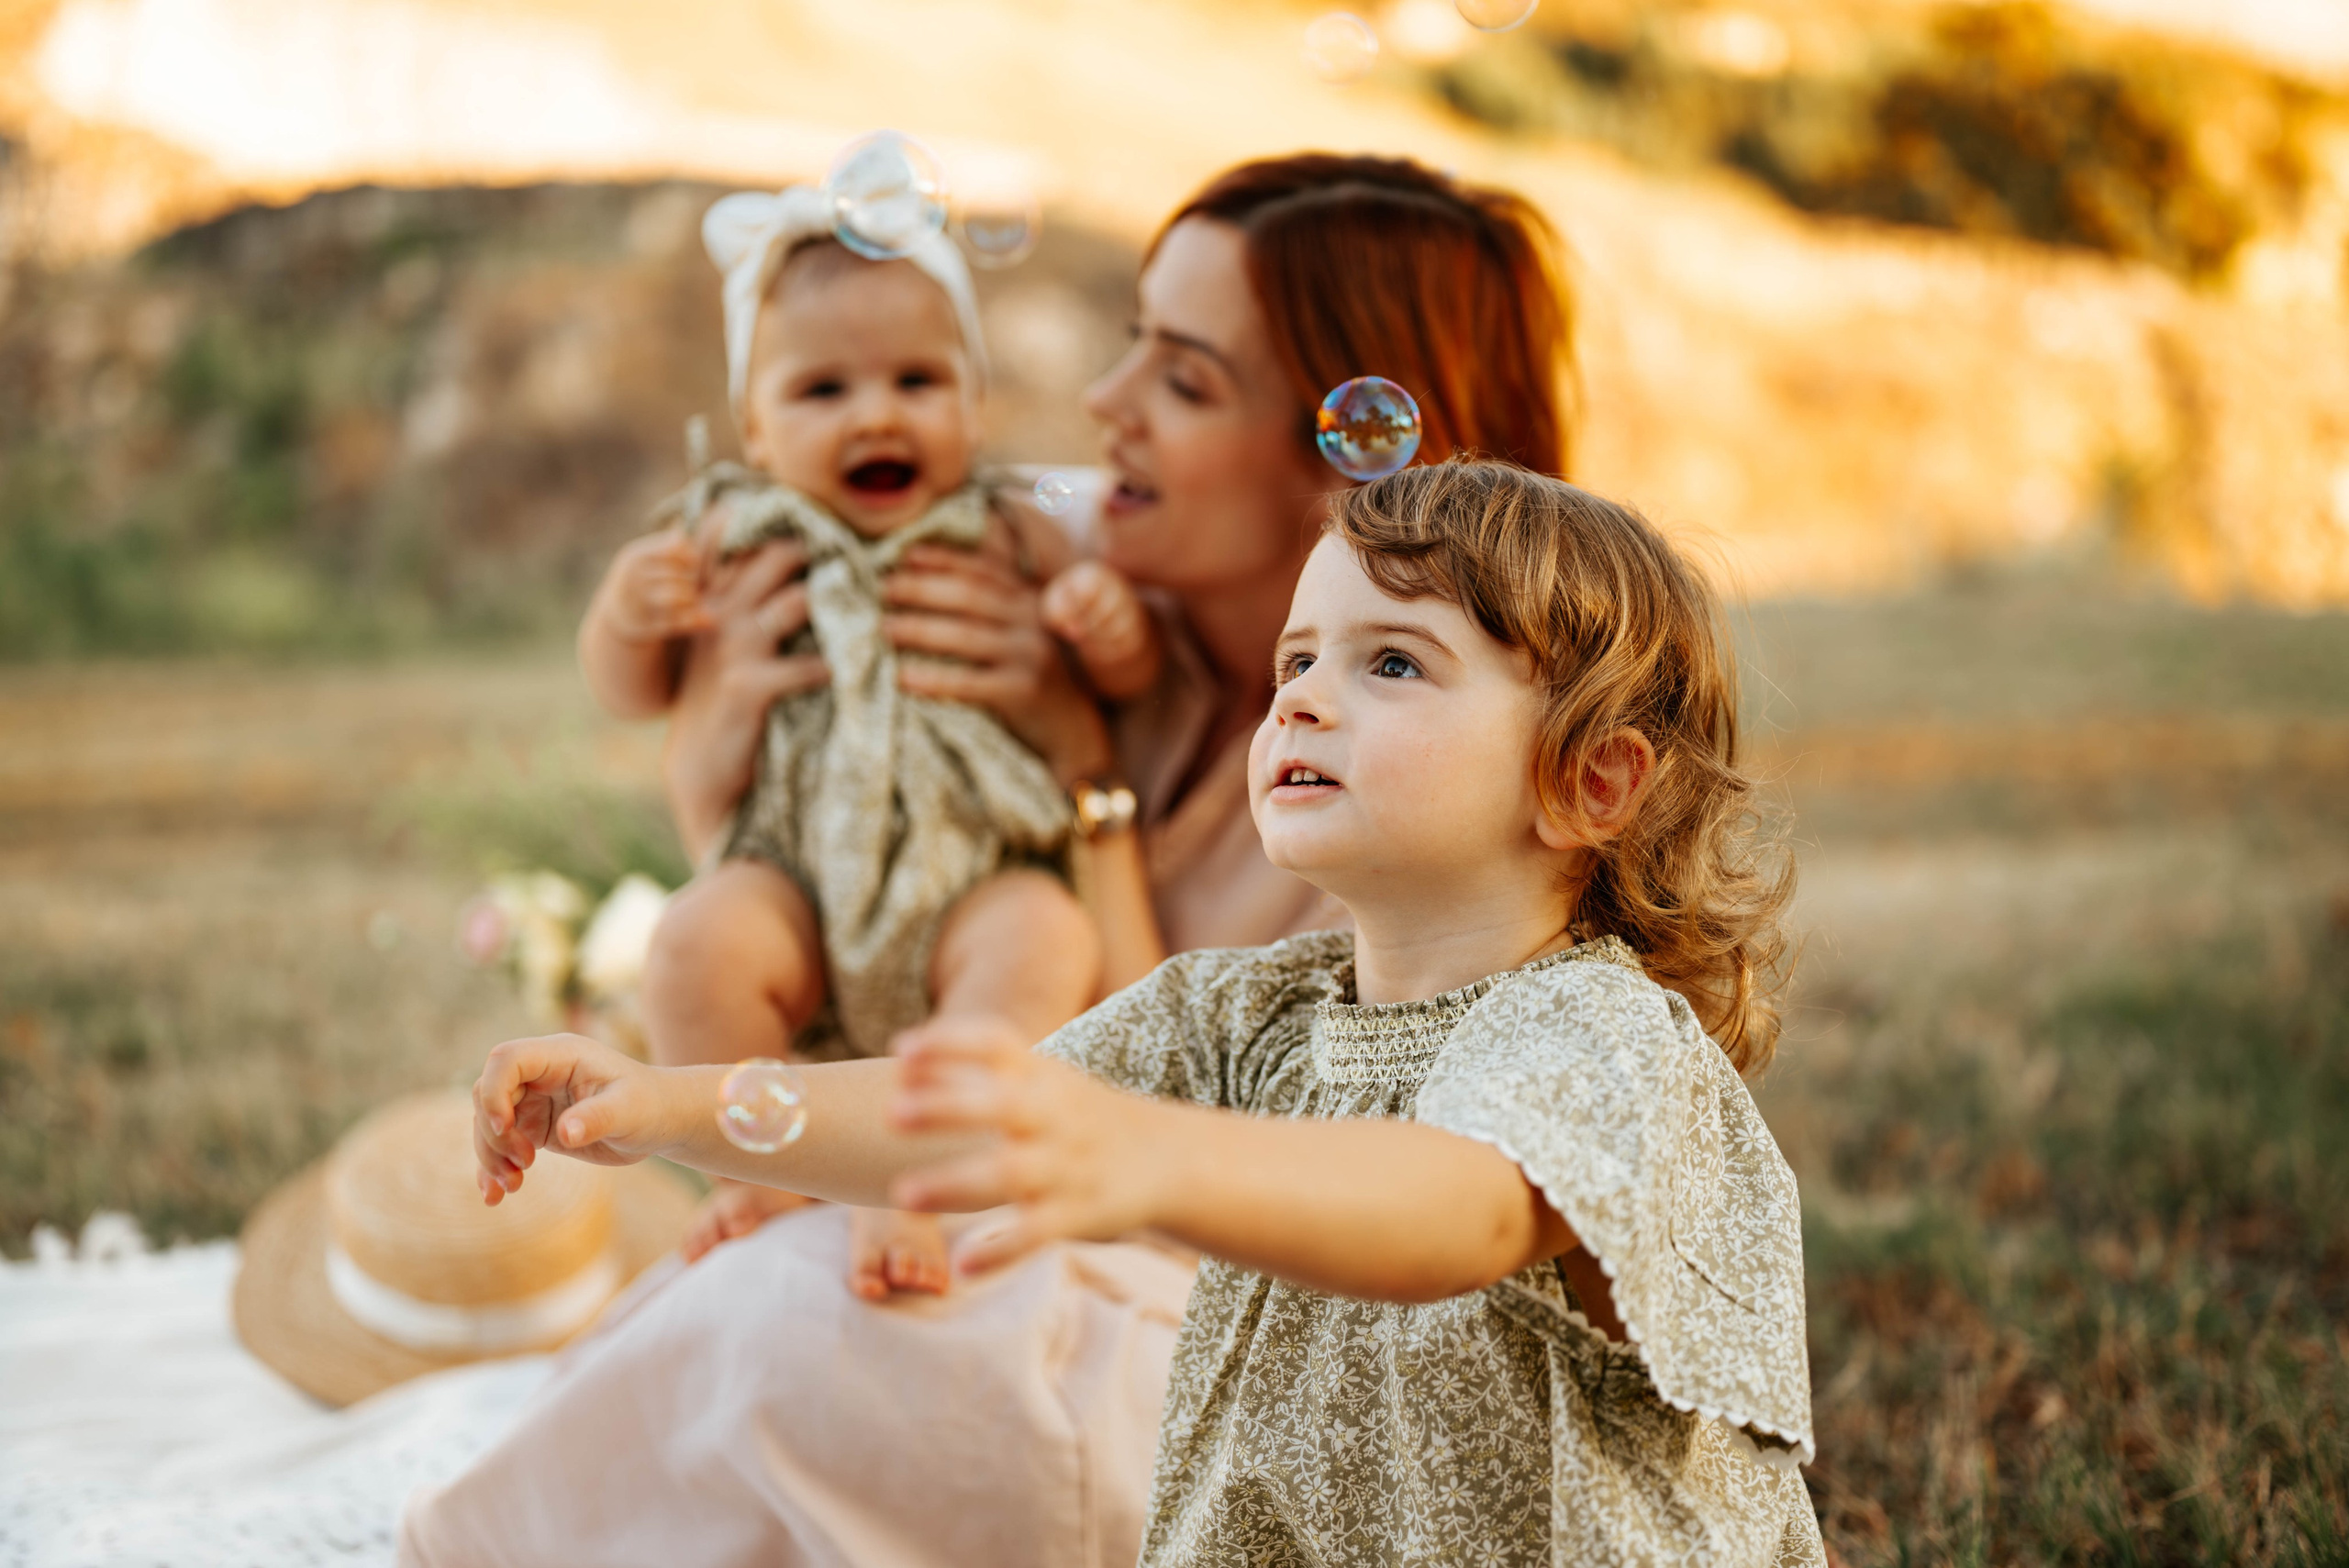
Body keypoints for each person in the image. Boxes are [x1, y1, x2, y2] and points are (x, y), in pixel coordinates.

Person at [400, 153, 1581, 1568]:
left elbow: (1179, 1084)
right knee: (767, 1291)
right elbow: (832, 904)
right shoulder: (1080, 605)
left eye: (1185, 380)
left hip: (1210, 1322)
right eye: (1133, 338)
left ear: (1355, 456)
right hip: (990, 1196)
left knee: (800, 1318)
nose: (1103, 403)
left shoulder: (1419, 777)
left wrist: (1081, 764)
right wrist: (717, 748)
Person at [467, 460, 1821, 1564]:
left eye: (1391, 665)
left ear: (1592, 783)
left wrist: (1148, 1154)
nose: (1301, 695)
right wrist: (668, 1101)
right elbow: (956, 1122)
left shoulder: (1600, 1032)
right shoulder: (1247, 1013)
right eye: (1298, 658)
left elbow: (1457, 1210)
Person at [573, 185, 1162, 1296]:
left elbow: (1117, 681)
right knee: (697, 942)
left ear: (974, 402)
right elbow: (631, 688)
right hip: (789, 874)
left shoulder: (1008, 524)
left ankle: (924, 1166)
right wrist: (622, 614)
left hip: (976, 870)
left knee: (1040, 942)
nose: (875, 416)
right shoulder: (727, 532)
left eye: (916, 381)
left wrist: (1105, 626)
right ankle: (753, 1164)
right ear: (755, 425)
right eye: (822, 388)